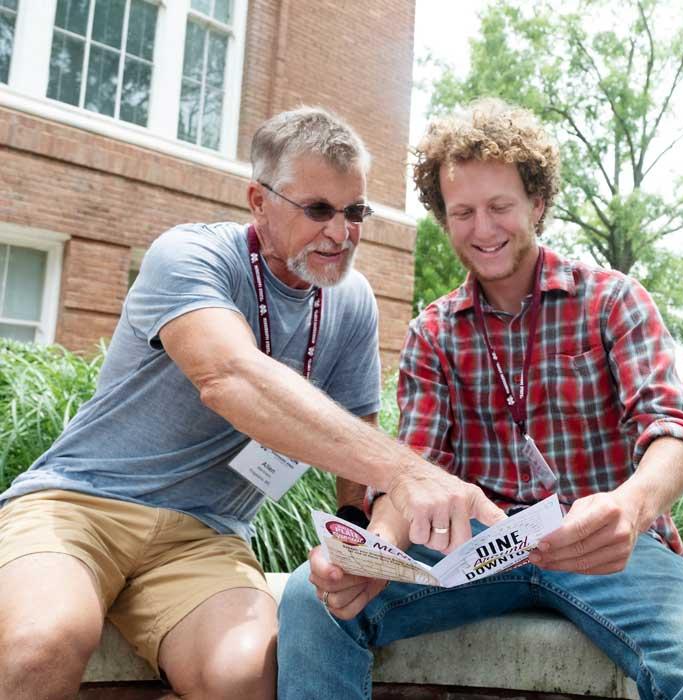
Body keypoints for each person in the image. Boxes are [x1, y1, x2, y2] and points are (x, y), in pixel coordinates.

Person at [0, 106, 503, 700]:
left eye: (355, 212)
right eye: (318, 209)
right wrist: (408, 470)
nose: (340, 234)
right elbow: (227, 376)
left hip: (205, 536)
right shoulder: (189, 254)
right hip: (80, 505)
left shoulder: (351, 301)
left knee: (244, 677)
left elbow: (354, 446)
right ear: (259, 201)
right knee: (45, 641)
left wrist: (357, 542)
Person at [277, 99, 683, 700]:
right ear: (443, 218)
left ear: (537, 203)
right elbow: (413, 470)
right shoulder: (435, 333)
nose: (483, 229)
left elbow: (673, 434)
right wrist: (373, 553)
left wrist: (631, 508)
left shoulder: (614, 302)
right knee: (310, 597)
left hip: (612, 549)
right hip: (477, 554)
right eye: (463, 212)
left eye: (500, 206)